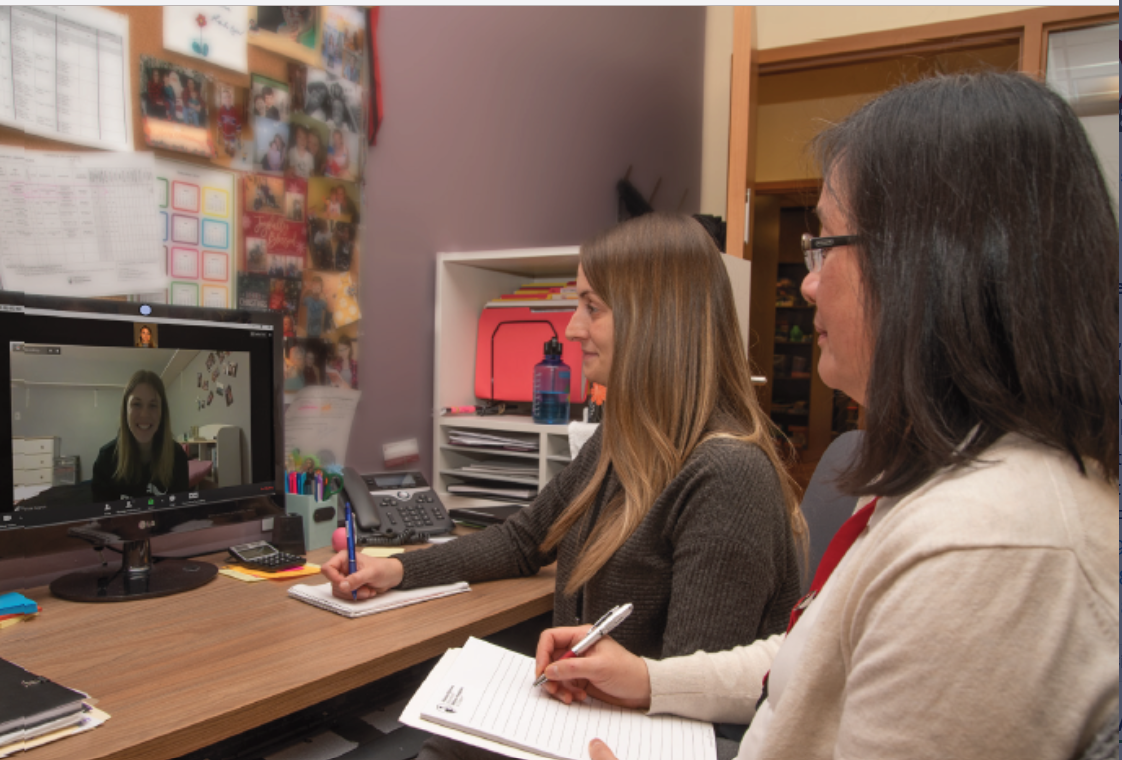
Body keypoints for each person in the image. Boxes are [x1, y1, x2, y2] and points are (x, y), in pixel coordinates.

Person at [532, 73, 1118, 760]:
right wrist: (649, 680)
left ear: (929, 266)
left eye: (827, 245)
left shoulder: (986, 548)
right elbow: (818, 660)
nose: (807, 282)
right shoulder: (957, 478)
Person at [324, 214, 806, 664]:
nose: (572, 329)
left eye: (591, 307)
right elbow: (523, 541)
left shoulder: (727, 478)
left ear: (657, 321)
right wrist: (400, 571)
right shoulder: (622, 443)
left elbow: (688, 706)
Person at [91, 371, 190, 502]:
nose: (144, 414)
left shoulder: (177, 456)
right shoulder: (106, 458)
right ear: (125, 410)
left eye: (153, 405)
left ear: (162, 412)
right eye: (136, 404)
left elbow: (181, 514)